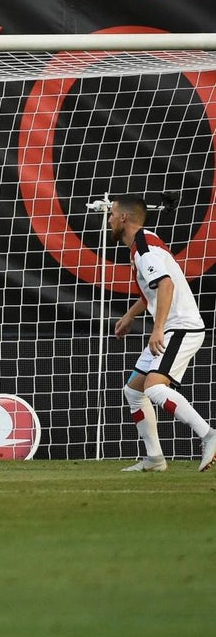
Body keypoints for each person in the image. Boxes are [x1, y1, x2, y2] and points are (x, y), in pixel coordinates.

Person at [110, 195, 216, 472]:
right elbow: (154, 288)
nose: (108, 220)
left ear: (123, 218)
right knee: (133, 391)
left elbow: (166, 285)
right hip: (173, 326)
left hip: (181, 327)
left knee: (155, 387)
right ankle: (155, 459)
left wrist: (156, 329)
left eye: (111, 214)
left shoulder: (145, 250)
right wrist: (130, 316)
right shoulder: (144, 243)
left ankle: (209, 435)